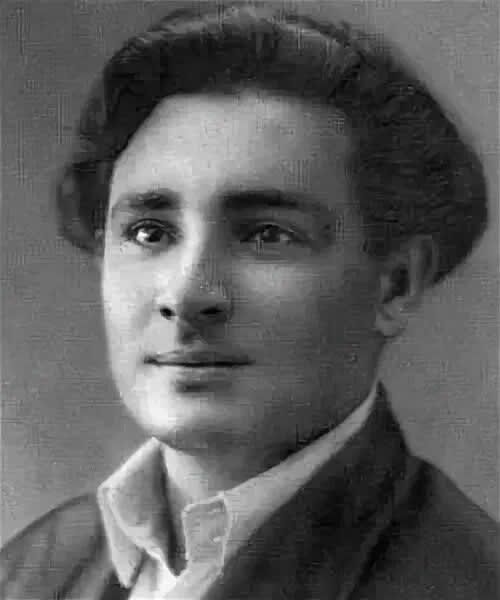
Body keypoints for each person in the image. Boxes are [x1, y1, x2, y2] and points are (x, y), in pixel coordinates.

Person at [1, 4, 498, 599]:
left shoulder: (462, 579)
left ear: (395, 284)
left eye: (267, 235)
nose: (187, 295)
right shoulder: (36, 568)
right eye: (150, 232)